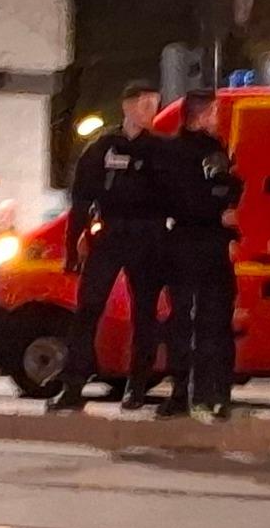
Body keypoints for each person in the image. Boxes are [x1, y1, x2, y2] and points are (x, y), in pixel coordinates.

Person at [48, 81, 172, 413]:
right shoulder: (102, 147)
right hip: (109, 235)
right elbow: (81, 200)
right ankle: (73, 385)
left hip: (147, 237)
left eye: (155, 104)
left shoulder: (161, 149)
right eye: (146, 105)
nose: (152, 112)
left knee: (145, 314)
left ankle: (137, 386)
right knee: (88, 309)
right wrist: (73, 252)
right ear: (128, 106)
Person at [158, 90, 242, 422]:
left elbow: (230, 188)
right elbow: (202, 196)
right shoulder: (190, 152)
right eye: (214, 112)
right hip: (197, 245)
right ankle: (204, 394)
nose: (218, 118)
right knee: (200, 322)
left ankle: (197, 394)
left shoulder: (209, 149)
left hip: (195, 244)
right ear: (200, 114)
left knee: (201, 322)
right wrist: (217, 211)